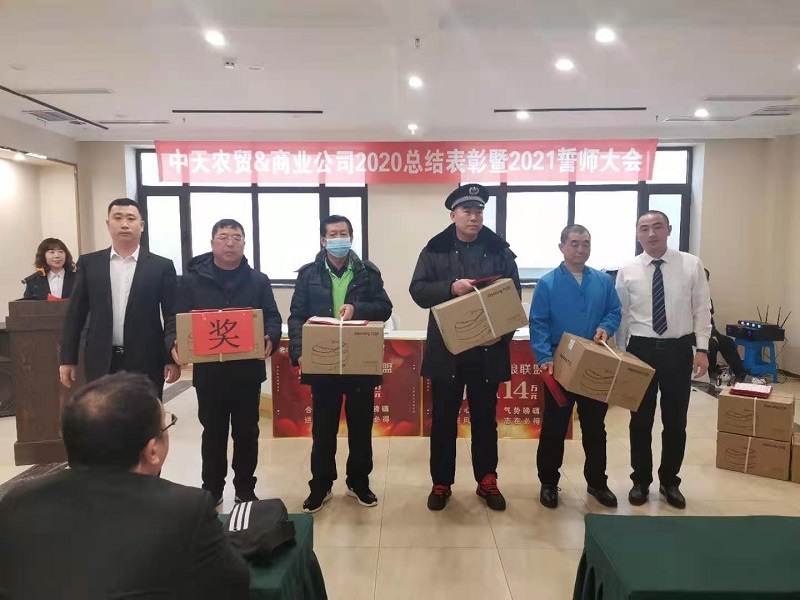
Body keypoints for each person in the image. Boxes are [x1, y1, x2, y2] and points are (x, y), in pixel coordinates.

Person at [0, 372, 250, 600]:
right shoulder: (185, 510)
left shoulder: (16, 501)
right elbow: (234, 586)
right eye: (166, 425)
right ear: (152, 451)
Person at [410, 183, 521, 512]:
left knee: (485, 419)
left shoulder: (500, 250)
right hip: (448, 351)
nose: (474, 217)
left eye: (479, 211)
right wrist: (450, 287)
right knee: (443, 419)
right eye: (467, 211)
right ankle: (441, 482)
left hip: (488, 349)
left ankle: (487, 479)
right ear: (453, 215)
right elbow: (418, 291)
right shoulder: (434, 249)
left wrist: (502, 335)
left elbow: (512, 298)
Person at [166, 219, 282, 507]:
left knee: (247, 432)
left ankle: (245, 488)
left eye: (236, 237)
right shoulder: (191, 281)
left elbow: (272, 315)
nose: (230, 243)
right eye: (223, 237)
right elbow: (175, 319)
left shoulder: (258, 280)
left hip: (247, 372)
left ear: (244, 244)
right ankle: (212, 488)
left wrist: (270, 336)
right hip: (210, 373)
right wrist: (173, 343)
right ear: (212, 243)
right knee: (213, 433)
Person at [288, 215, 393, 514]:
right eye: (333, 234)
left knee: (361, 428)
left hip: (359, 362)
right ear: (323, 240)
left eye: (343, 233)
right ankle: (320, 486)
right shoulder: (308, 274)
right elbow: (296, 316)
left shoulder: (367, 272)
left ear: (351, 238)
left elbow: (384, 308)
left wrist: (357, 308)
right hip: (323, 363)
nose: (338, 238)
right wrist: (299, 352)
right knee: (323, 430)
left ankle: (358, 482)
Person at [615, 210, 711, 509]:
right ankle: (640, 481)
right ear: (637, 234)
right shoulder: (627, 269)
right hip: (640, 350)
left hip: (677, 350)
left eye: (657, 227)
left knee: (675, 420)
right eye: (644, 228)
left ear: (669, 229)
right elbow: (622, 315)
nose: (651, 233)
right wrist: (621, 354)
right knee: (639, 421)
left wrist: (703, 349)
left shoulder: (690, 264)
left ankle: (670, 481)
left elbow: (702, 309)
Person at [529, 224, 622, 509]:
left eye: (585, 244)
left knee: (595, 427)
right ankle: (548, 482)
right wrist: (544, 358)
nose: (580, 249)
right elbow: (538, 323)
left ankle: (597, 482)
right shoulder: (547, 283)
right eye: (574, 243)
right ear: (562, 247)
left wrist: (606, 327)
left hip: (595, 363)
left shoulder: (603, 281)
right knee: (555, 426)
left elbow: (614, 311)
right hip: (561, 365)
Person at [59, 198, 180, 398]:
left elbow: (171, 314)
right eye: (118, 218)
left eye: (131, 218)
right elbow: (75, 314)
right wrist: (67, 358)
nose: (124, 224)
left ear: (142, 226)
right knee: (102, 413)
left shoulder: (161, 266)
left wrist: (171, 358)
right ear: (108, 224)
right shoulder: (90, 264)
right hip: (101, 358)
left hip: (147, 359)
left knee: (144, 413)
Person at [704, 269, 748, 382]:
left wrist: (713, 334)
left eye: (706, 278)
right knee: (712, 344)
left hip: (708, 332)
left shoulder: (706, 298)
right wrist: (711, 335)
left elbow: (709, 320)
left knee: (727, 341)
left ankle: (740, 374)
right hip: (690, 333)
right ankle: (711, 371)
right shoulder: (686, 296)